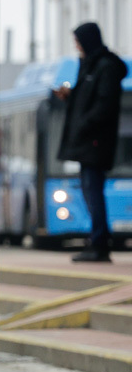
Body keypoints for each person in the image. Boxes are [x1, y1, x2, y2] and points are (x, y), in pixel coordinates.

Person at [56, 21, 128, 263]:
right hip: (88, 142)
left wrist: (84, 124)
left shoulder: (105, 67)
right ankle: (96, 241)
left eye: (78, 41)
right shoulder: (89, 66)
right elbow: (87, 98)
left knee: (93, 191)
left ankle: (99, 243)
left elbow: (103, 105)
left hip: (95, 142)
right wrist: (71, 96)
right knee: (89, 191)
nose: (76, 46)